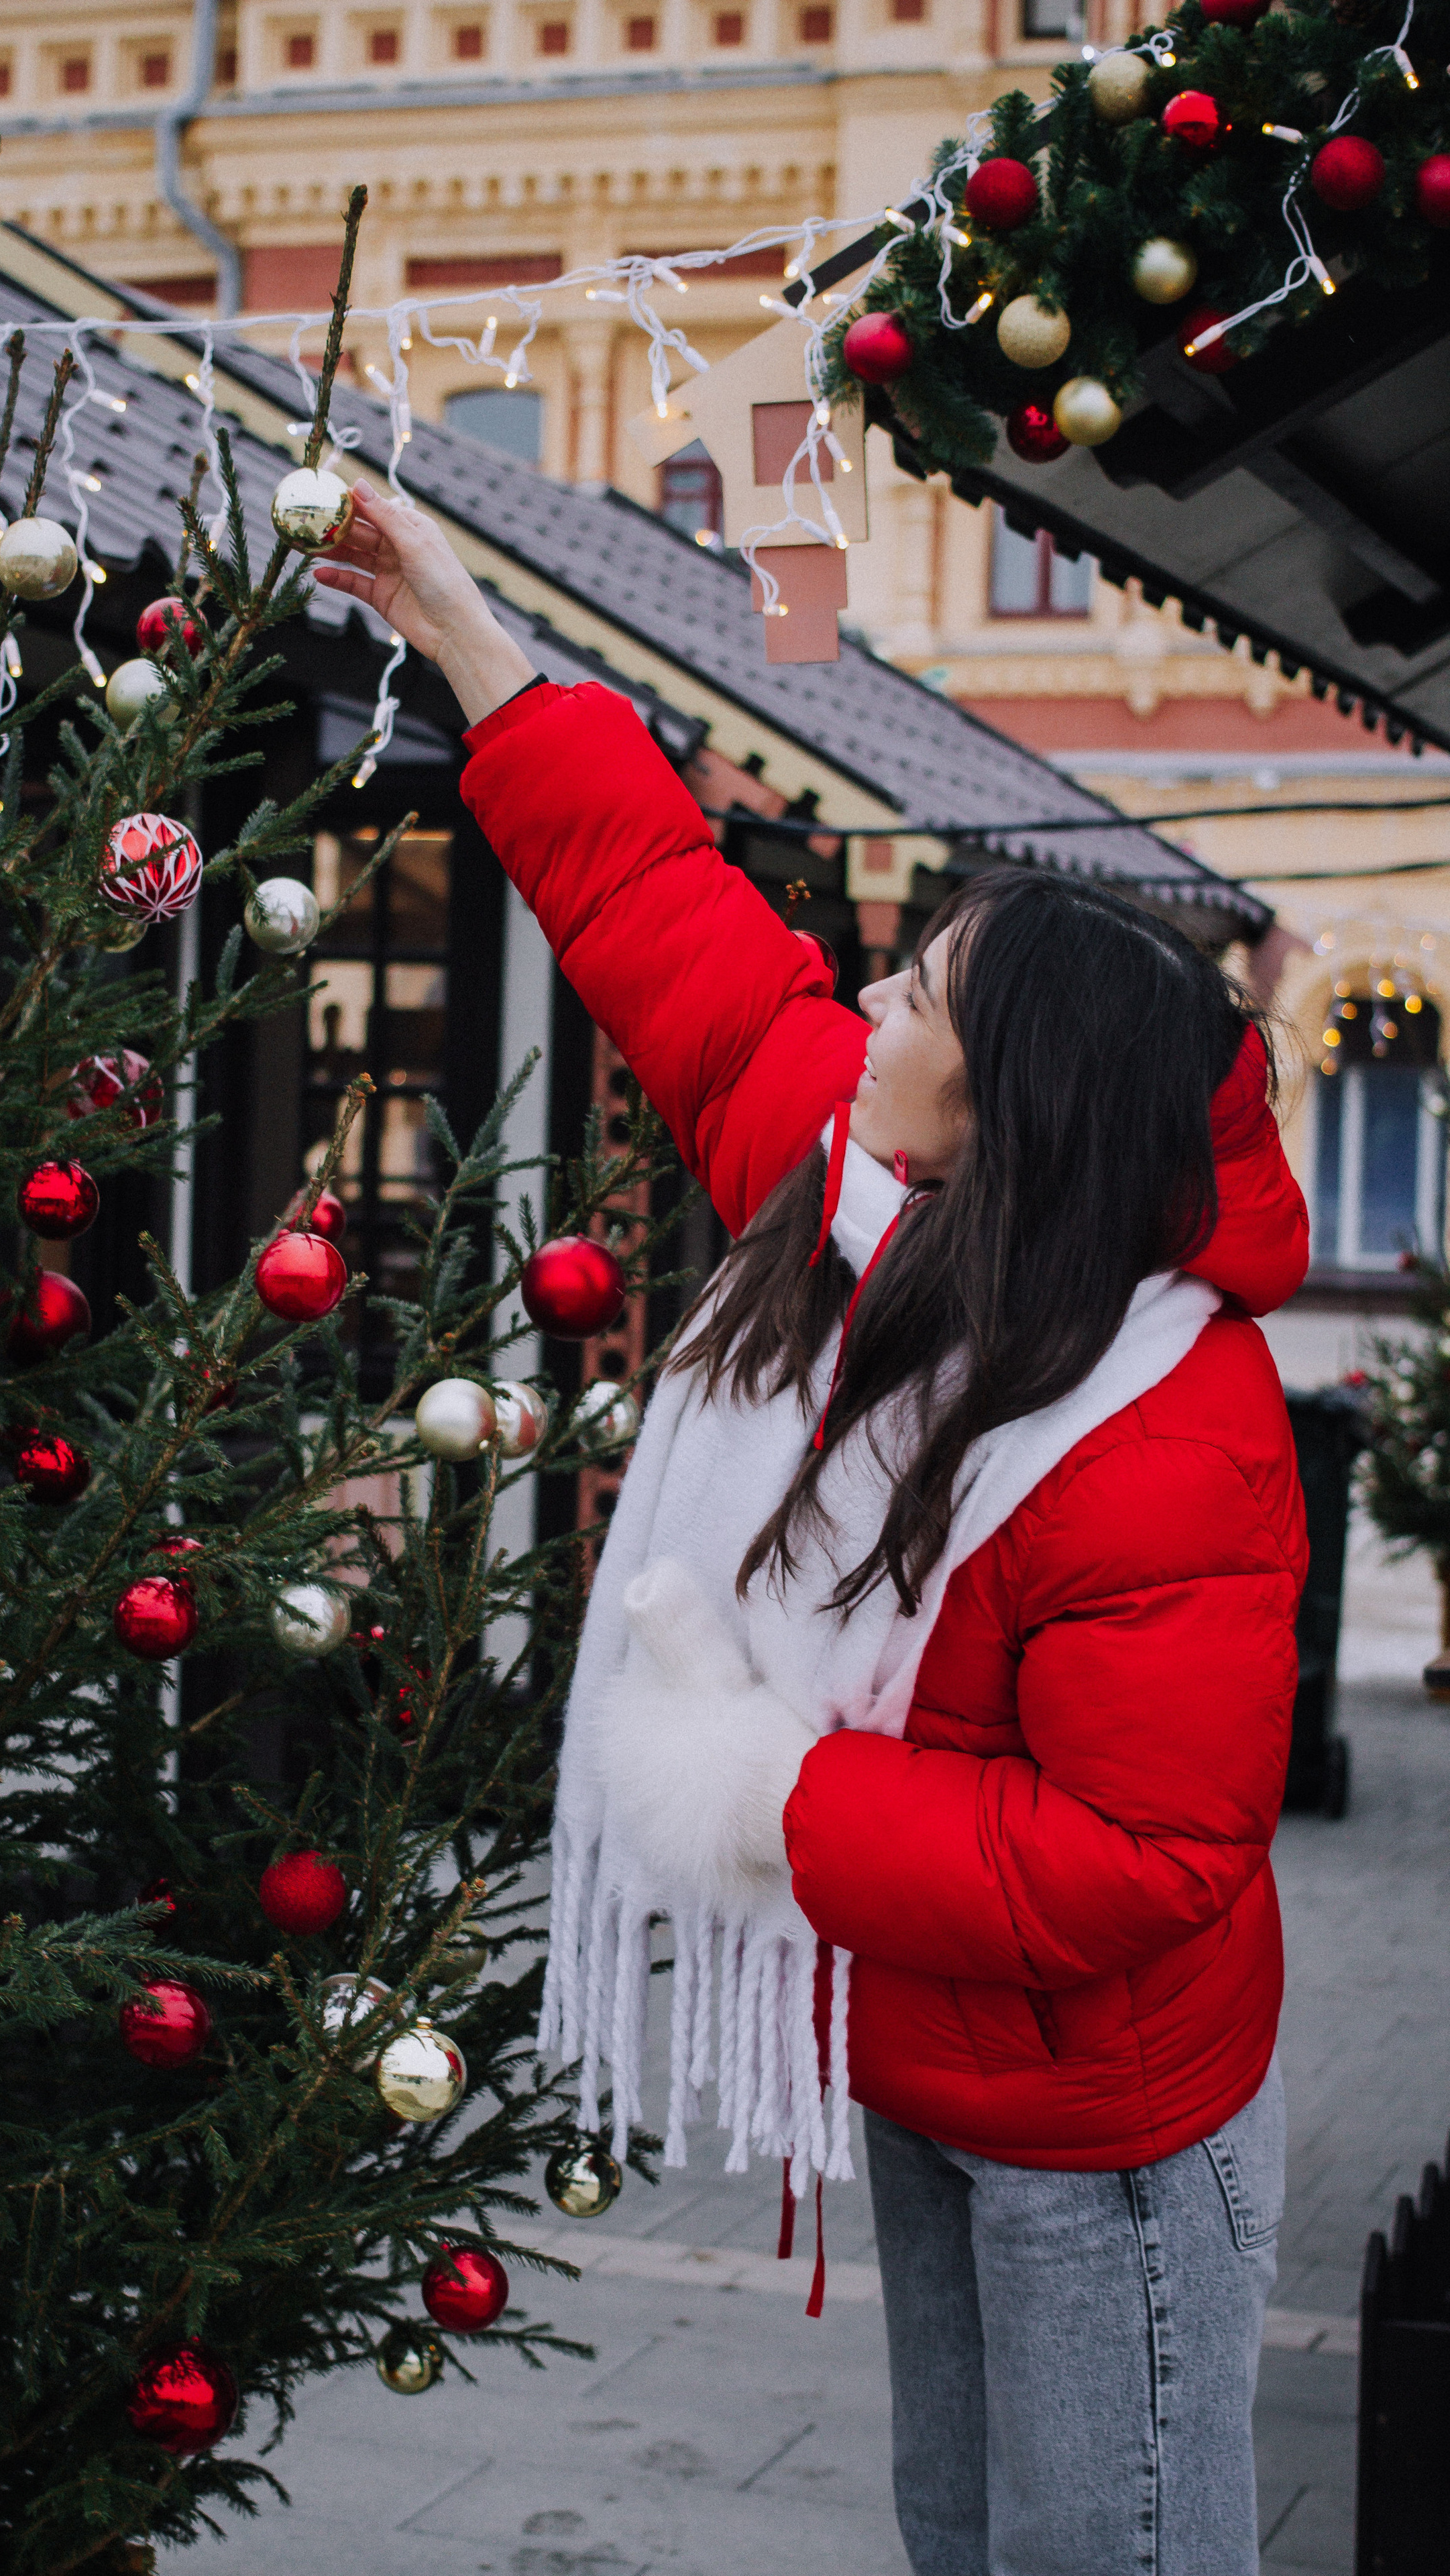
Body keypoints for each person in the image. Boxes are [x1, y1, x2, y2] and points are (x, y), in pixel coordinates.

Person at [318, 483, 1309, 2576]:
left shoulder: (1174, 1431)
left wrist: (779, 1796)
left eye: (924, 991)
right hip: (932, 2048)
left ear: (1017, 1097)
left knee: (1111, 2551)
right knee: (968, 2537)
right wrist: (468, 627)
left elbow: (1151, 1859)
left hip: (1114, 2125)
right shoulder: (866, 1199)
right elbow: (657, 908)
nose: (875, 998)